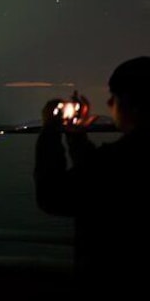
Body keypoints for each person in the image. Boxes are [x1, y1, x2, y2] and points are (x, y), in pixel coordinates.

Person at [35, 56, 150, 297]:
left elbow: (52, 195)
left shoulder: (121, 160)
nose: (109, 103)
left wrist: (50, 129)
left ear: (134, 104)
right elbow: (99, 178)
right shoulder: (123, 159)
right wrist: (77, 136)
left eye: (114, 96)